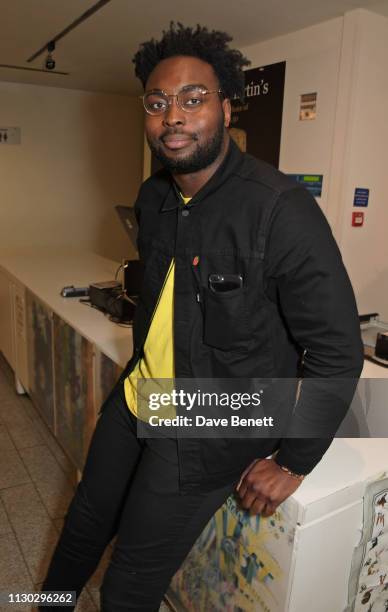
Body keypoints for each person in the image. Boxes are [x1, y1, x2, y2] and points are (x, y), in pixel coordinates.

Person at [41, 22, 363, 611]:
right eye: (158, 103)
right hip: (143, 395)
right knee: (84, 526)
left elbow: (337, 349)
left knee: (129, 581)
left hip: (213, 419)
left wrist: (294, 459)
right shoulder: (154, 197)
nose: (173, 117)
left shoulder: (279, 209)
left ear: (226, 105)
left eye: (193, 99)